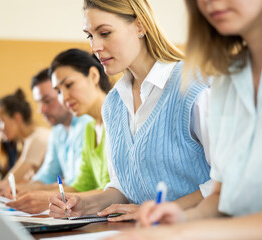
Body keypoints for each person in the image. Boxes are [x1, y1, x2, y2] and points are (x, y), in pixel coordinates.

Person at [108, 0, 262, 239]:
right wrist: (181, 218)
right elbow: (222, 197)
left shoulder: (194, 86)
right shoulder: (226, 79)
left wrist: (183, 232)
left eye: (105, 33)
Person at [49, 0, 212, 222]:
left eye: (104, 33)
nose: (94, 46)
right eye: (90, 35)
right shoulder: (114, 103)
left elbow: (229, 180)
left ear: (140, 26)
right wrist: (85, 204)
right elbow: (123, 187)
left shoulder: (193, 85)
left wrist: (161, 209)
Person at [5, 68, 92, 213]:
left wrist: (42, 195)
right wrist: (26, 188)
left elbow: (81, 184)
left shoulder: (86, 124)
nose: (41, 110)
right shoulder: (57, 130)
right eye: (38, 103)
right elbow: (47, 174)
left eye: (47, 101)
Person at [50, 48, 111, 192]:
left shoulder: (118, 120)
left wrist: (45, 198)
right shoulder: (91, 128)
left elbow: (114, 192)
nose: (63, 98)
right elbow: (82, 185)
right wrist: (36, 196)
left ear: (94, 76)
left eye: (69, 85)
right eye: (58, 91)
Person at [0, 88, 50, 194]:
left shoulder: (38, 138)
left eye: (0, 121)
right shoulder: (27, 141)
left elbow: (9, 182)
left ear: (17, 118)